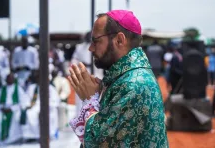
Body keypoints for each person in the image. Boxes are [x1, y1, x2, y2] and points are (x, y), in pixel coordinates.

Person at [68, 10, 168, 147]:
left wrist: (91, 101)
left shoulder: (134, 84)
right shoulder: (125, 77)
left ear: (119, 40)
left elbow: (100, 142)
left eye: (96, 41)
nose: (91, 48)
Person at [0, 73, 28, 145]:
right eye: (8, 78)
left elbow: (23, 102)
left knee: (16, 118)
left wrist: (12, 108)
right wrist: (1, 108)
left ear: (14, 79)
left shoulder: (18, 89)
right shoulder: (1, 89)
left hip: (14, 109)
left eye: (11, 78)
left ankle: (13, 139)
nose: (9, 80)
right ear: (6, 80)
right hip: (3, 109)